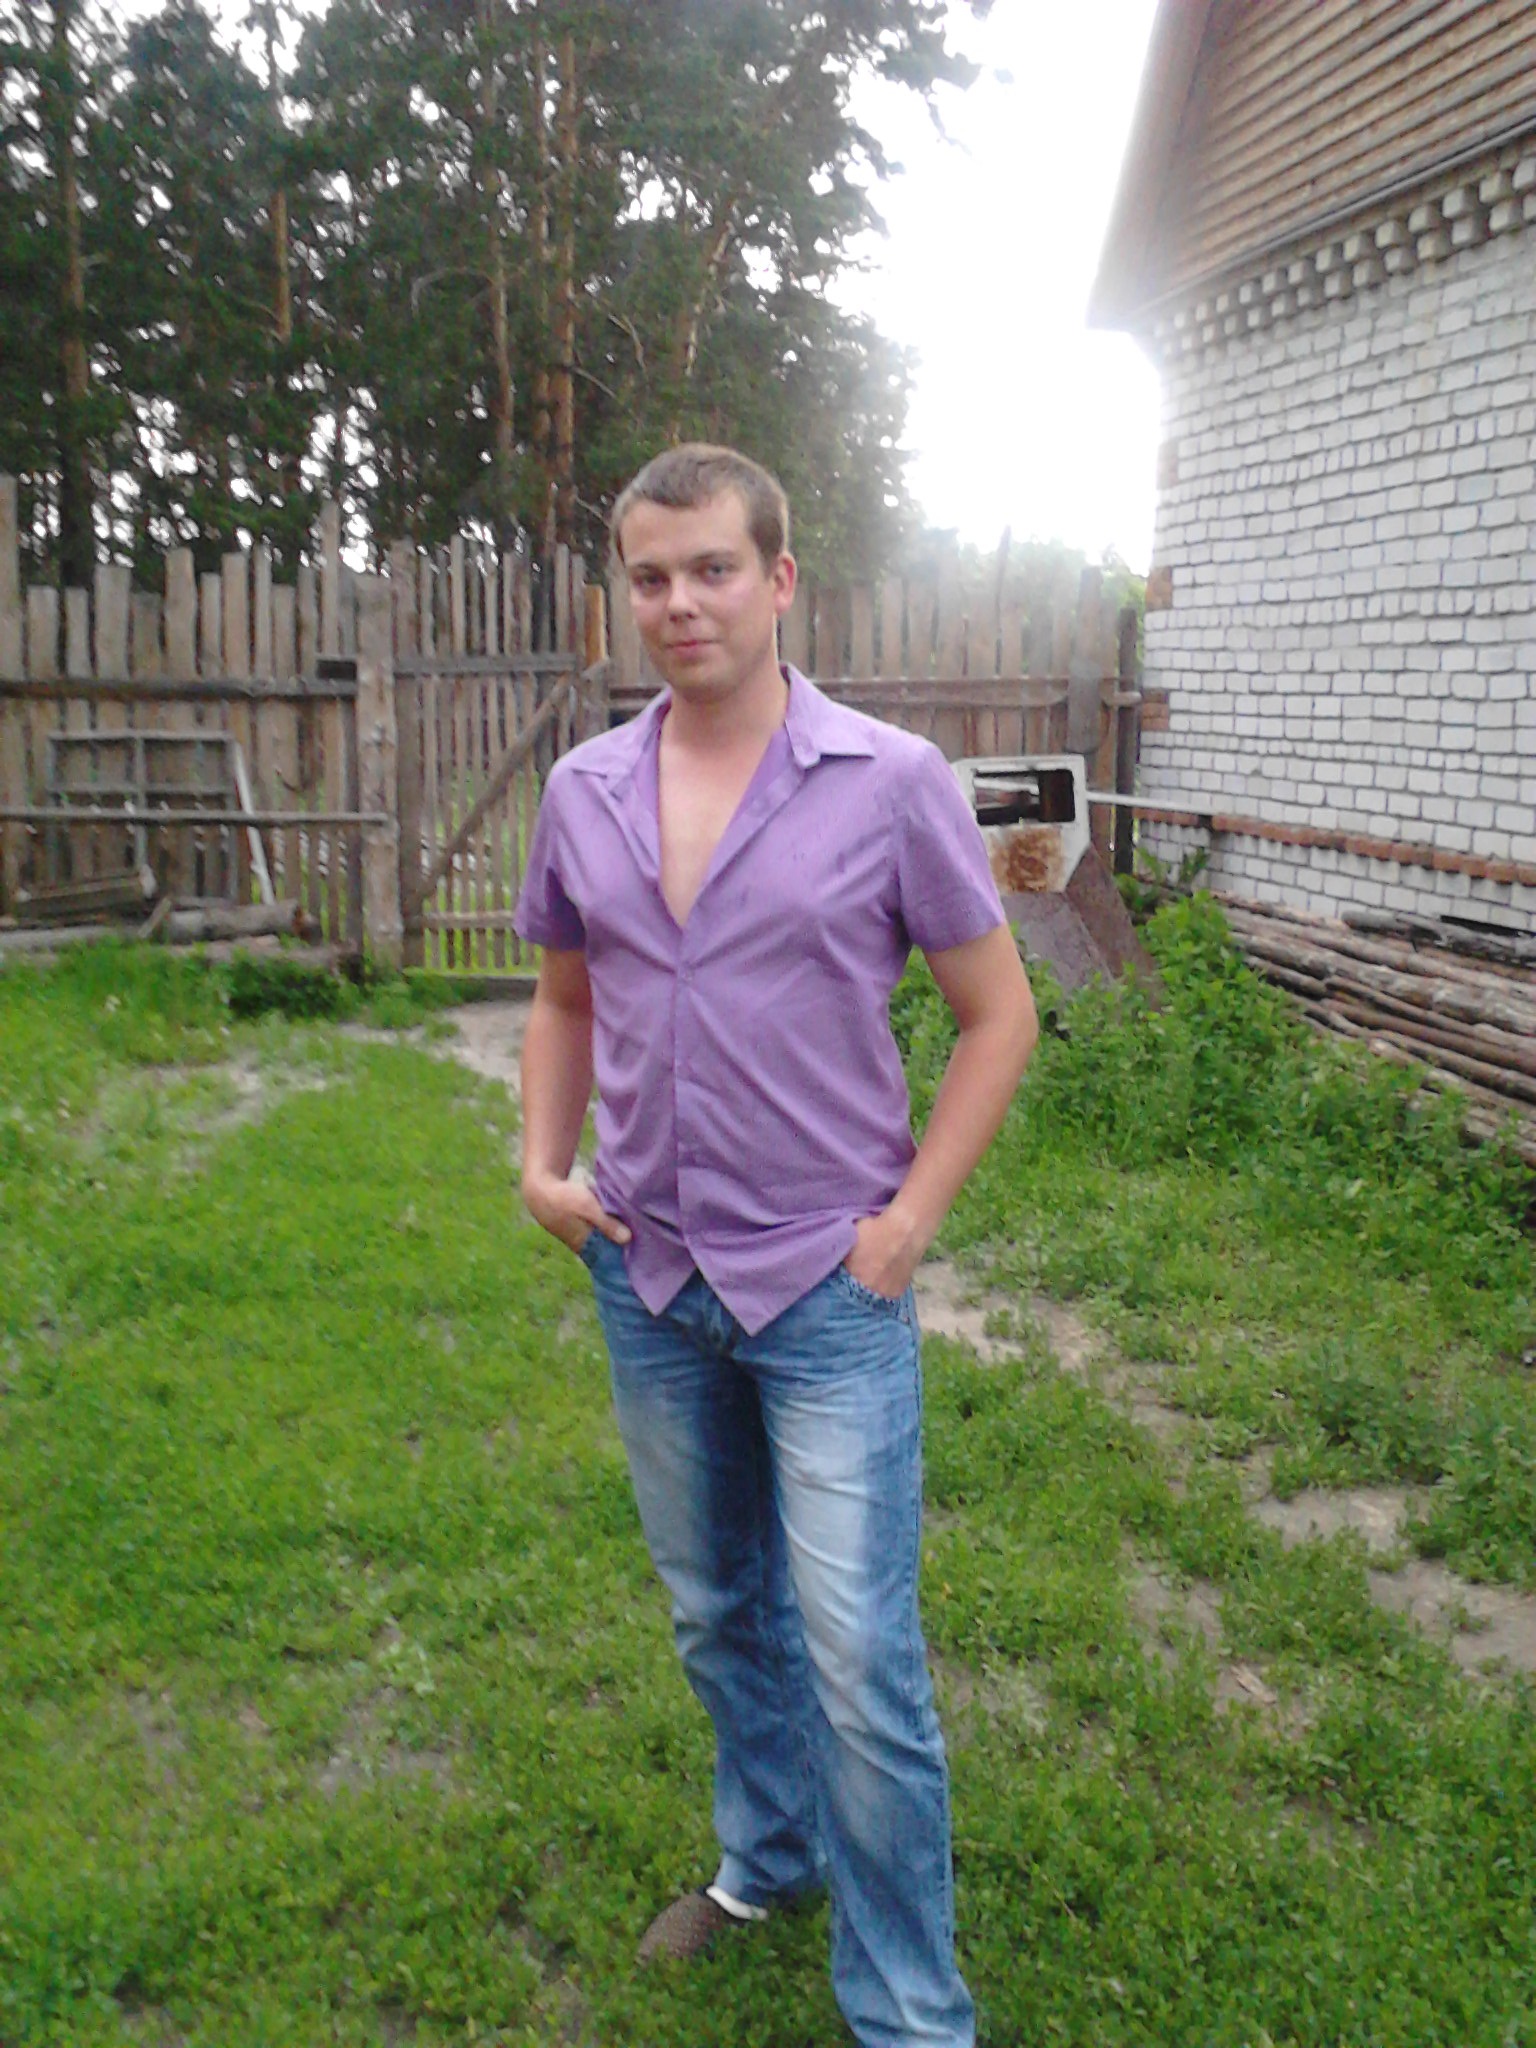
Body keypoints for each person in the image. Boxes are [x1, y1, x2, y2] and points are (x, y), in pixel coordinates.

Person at [514, 443, 1037, 2048]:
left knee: (861, 1658)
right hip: (649, 1273)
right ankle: (769, 1858)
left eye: (714, 569)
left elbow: (999, 1014)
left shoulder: (890, 782)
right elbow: (563, 995)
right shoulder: (586, 790)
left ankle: (910, 2012)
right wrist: (540, 1167)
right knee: (715, 1608)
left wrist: (906, 1227)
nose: (681, 603)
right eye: (651, 576)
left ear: (780, 579)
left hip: (824, 1284)